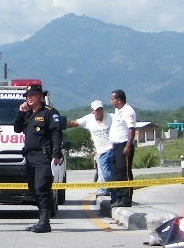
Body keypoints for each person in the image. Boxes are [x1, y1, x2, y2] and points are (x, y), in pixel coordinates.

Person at [13, 82, 62, 233]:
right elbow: (17, 128)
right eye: (27, 96)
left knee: (42, 188)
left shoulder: (49, 112)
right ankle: (41, 220)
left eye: (32, 95)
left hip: (43, 156)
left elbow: (56, 134)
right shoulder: (28, 113)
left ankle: (44, 222)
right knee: (33, 189)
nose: (29, 98)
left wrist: (57, 153)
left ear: (41, 97)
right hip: (30, 156)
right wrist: (21, 112)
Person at [66, 99, 112, 196]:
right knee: (103, 173)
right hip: (100, 152)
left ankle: (109, 189)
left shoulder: (111, 117)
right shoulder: (89, 119)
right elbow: (74, 123)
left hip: (112, 149)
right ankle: (103, 190)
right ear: (92, 111)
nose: (99, 112)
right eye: (97, 110)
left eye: (100, 109)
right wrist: (60, 125)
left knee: (111, 172)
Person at [108, 89, 136, 209]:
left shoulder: (128, 111)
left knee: (124, 171)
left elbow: (132, 130)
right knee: (116, 172)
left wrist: (128, 146)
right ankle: (118, 196)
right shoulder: (118, 111)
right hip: (115, 146)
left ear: (119, 100)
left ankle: (126, 198)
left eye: (112, 99)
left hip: (123, 145)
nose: (111, 102)